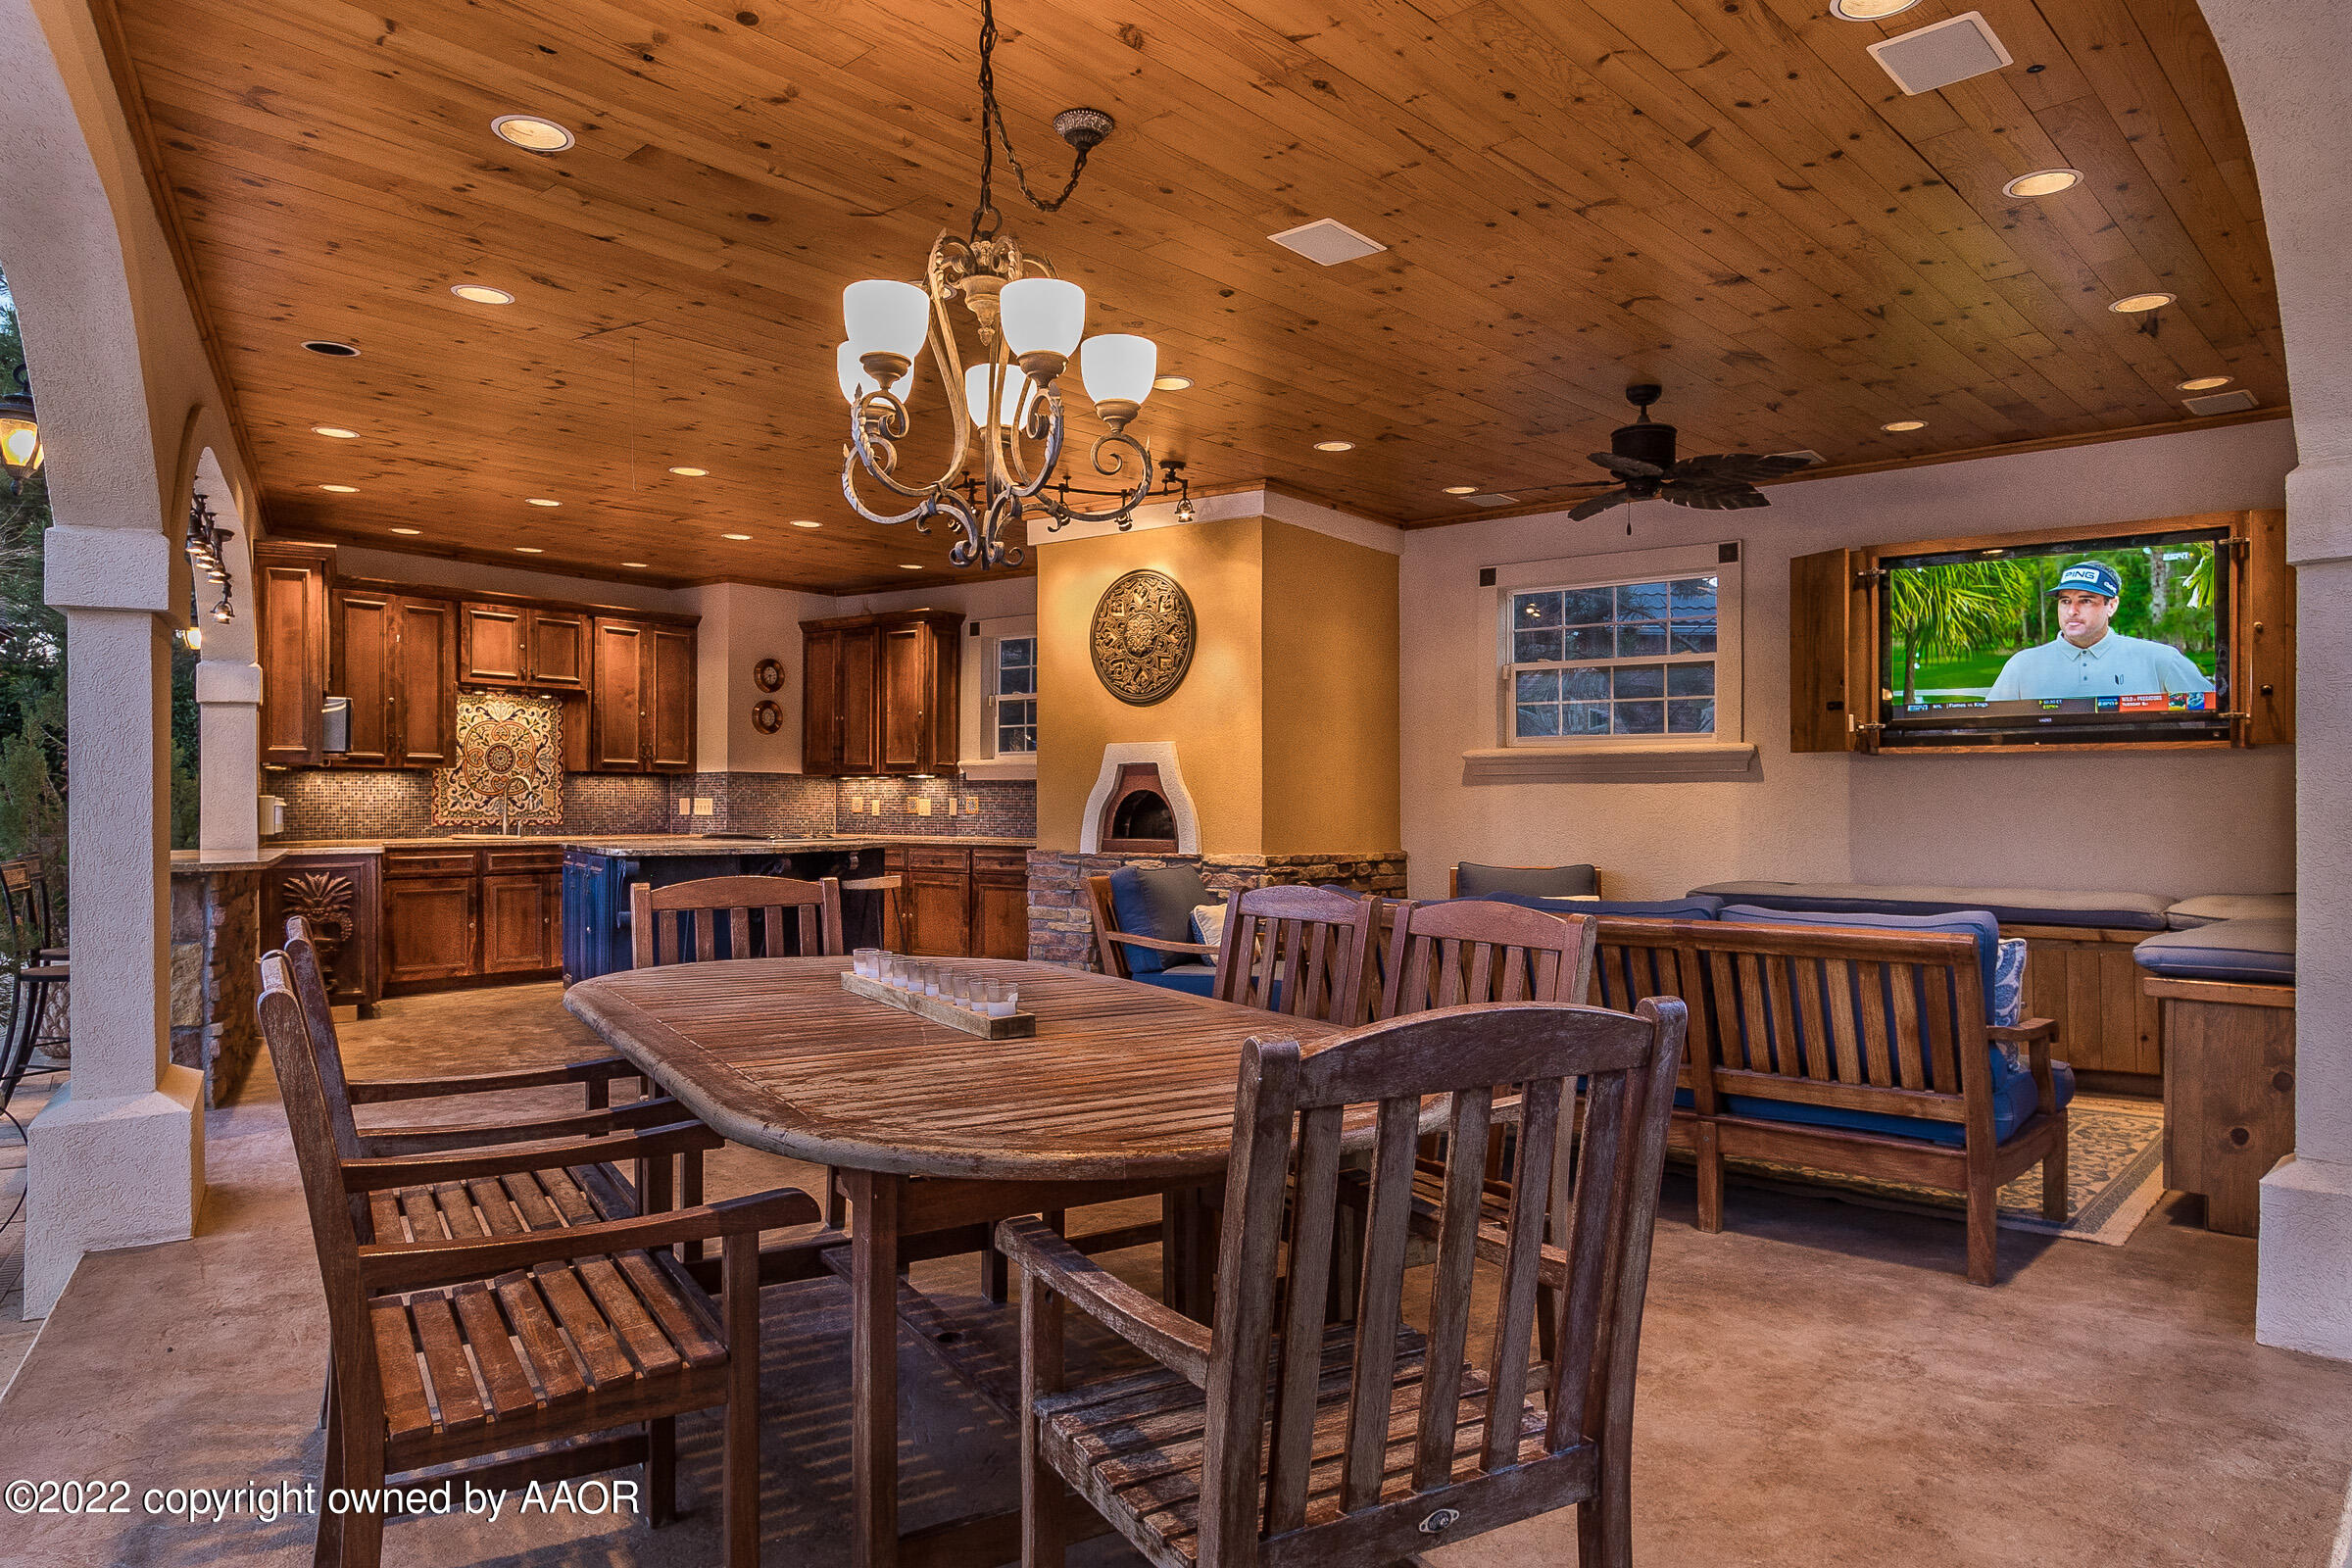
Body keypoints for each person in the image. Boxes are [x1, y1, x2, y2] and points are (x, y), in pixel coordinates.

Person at [1986, 561, 2215, 701]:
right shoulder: (2022, 665)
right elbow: (1991, 730)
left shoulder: (2160, 659)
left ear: (2112, 605)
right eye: (2065, 601)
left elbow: (2209, 715)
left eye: (2085, 600)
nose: (2072, 611)